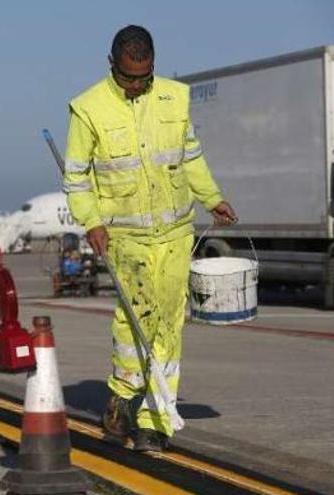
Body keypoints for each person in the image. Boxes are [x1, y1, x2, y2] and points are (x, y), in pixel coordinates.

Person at [62, 25, 237, 452]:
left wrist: (211, 198)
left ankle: (155, 419)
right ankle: (123, 395)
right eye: (128, 78)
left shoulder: (175, 97)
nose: (136, 86)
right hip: (125, 236)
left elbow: (190, 155)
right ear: (111, 66)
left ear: (153, 66)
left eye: (144, 76)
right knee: (136, 321)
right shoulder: (88, 109)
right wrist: (92, 222)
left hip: (176, 232)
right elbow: (76, 177)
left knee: (171, 323)